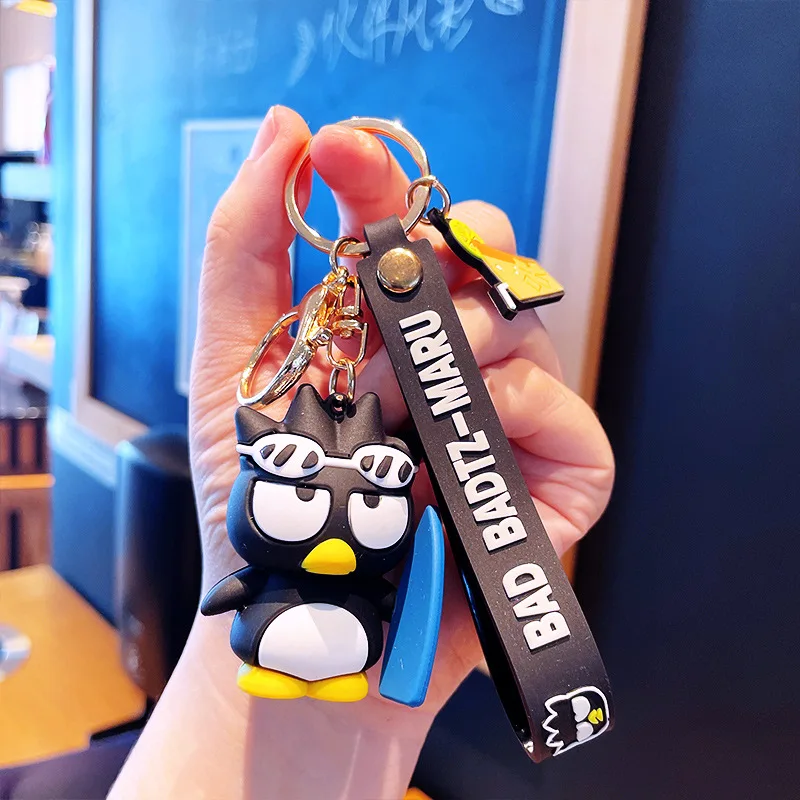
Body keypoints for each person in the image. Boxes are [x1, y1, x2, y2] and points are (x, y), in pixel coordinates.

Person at [109, 106, 614, 800]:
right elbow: (237, 588)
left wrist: (473, 539)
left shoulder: (406, 548)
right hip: (270, 662)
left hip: (355, 667)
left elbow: (336, 593)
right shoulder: (269, 516)